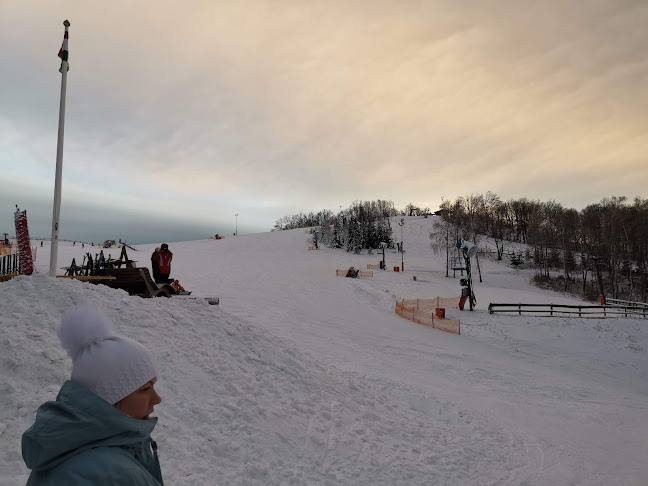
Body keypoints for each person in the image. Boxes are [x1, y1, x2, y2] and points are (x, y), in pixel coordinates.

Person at [22, 305, 164, 485]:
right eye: (145, 389)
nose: (157, 399)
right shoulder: (112, 475)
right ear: (109, 400)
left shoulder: (73, 450)